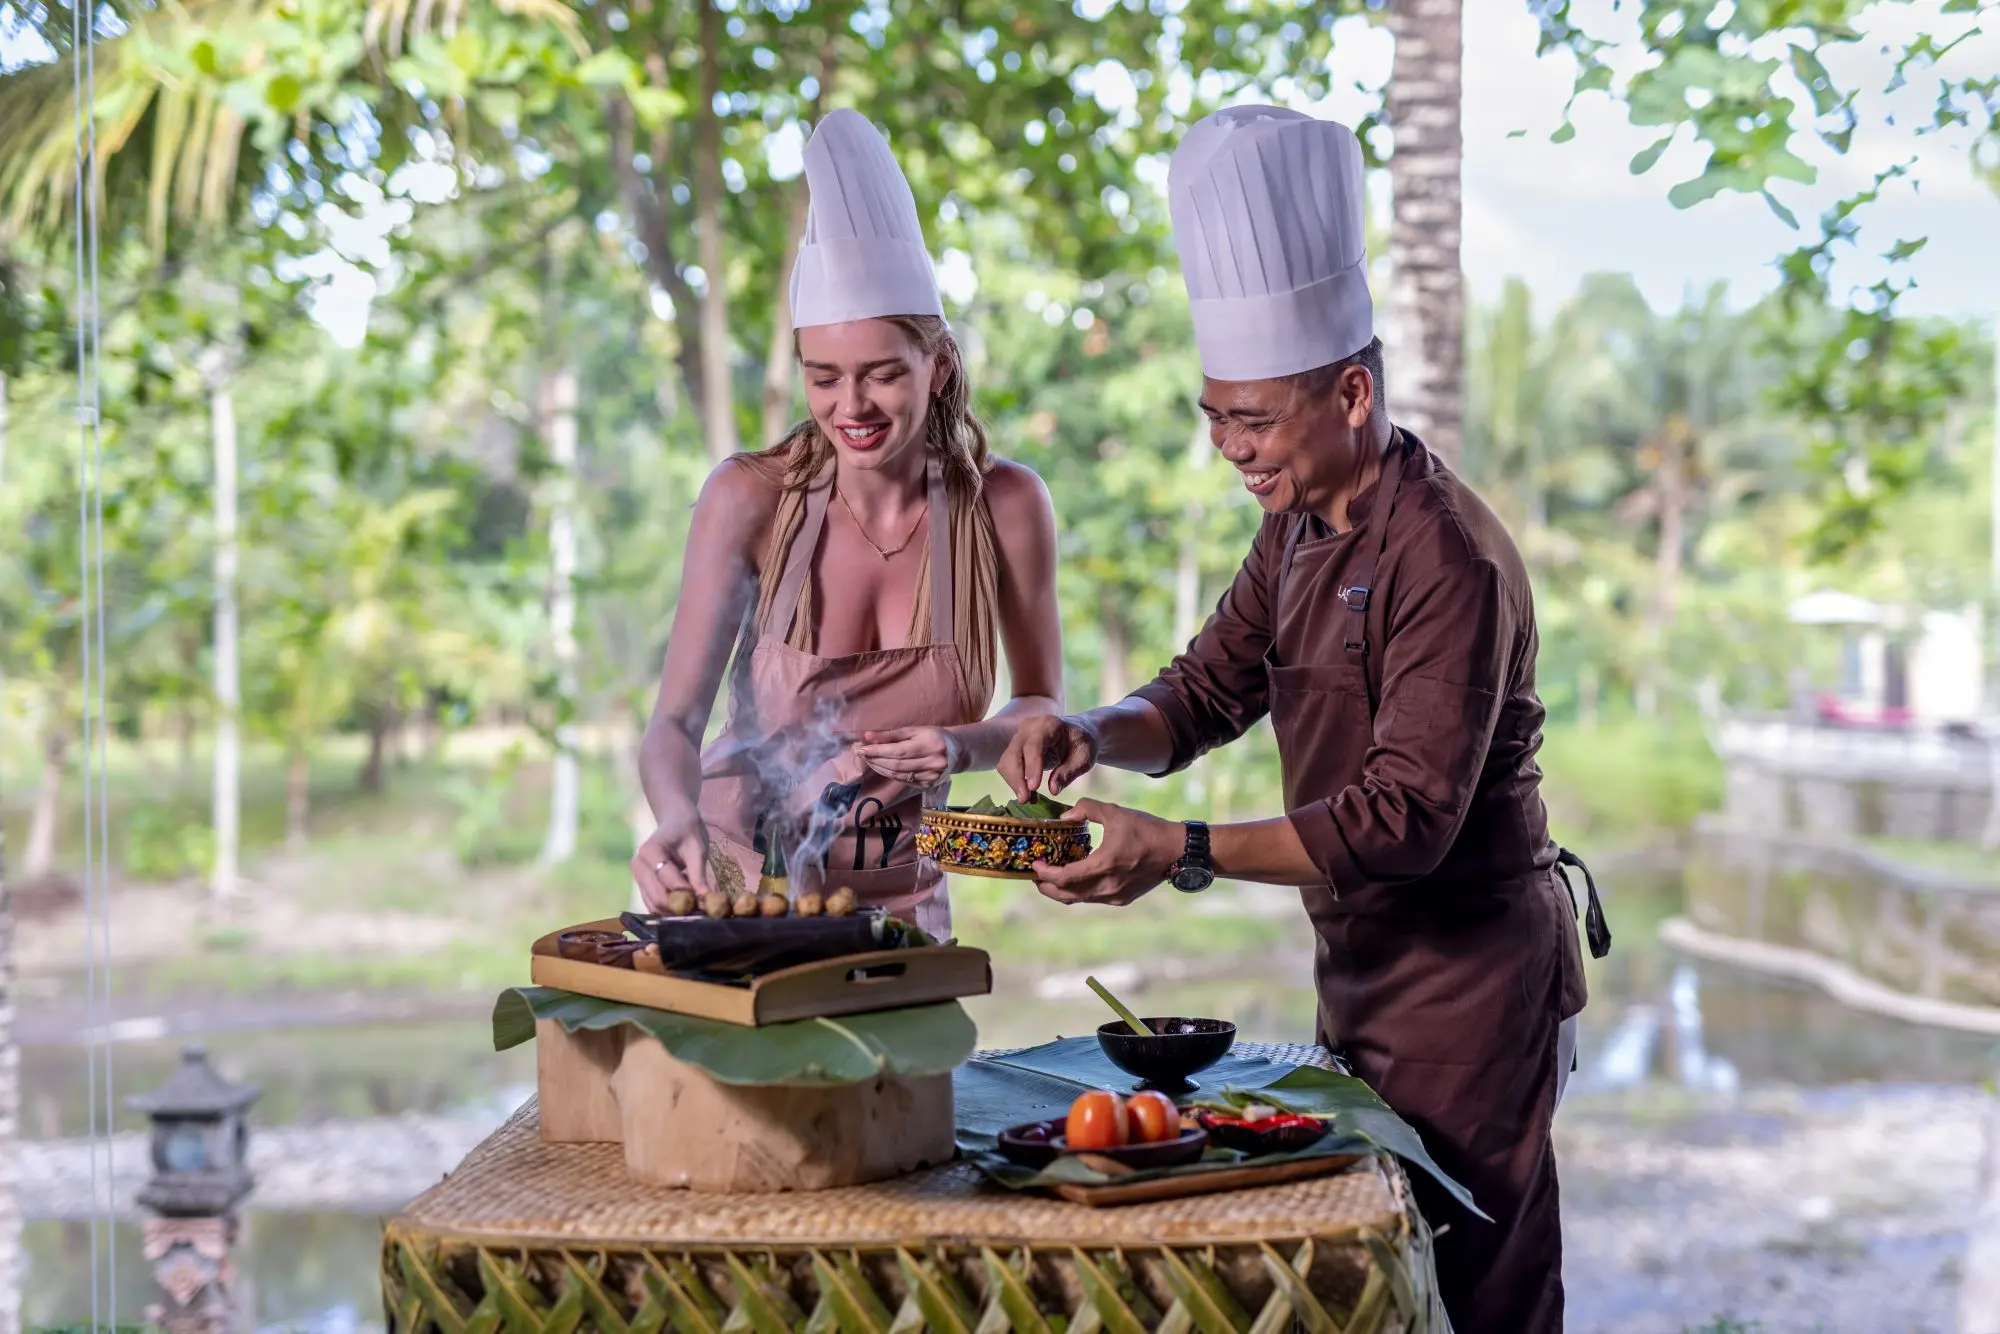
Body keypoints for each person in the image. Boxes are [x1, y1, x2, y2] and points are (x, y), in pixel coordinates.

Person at [997, 106, 1609, 1334]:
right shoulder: (1294, 526)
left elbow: (1404, 819)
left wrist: (1177, 852)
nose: (1228, 447)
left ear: (1349, 389)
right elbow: (1205, 687)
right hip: (1364, 972)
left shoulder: (1447, 557)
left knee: (1476, 1288)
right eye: (1213, 415)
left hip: (1470, 983)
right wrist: (1088, 728)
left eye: (1253, 418)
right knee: (1376, 1280)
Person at [634, 109, 1062, 938]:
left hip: (902, 912)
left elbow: (1042, 698)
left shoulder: (1004, 506)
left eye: (879, 376)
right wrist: (673, 816)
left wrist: (963, 746)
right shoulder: (748, 499)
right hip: (735, 898)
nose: (849, 407)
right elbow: (673, 726)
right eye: (822, 378)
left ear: (937, 367)